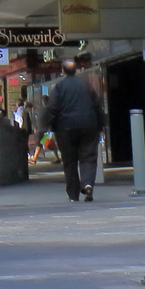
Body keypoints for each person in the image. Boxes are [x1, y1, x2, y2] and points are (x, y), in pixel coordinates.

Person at [46, 57, 102, 203]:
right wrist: (100, 124)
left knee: (69, 161)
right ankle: (88, 184)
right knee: (88, 157)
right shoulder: (86, 85)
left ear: (62, 70)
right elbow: (97, 105)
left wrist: (52, 125)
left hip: (65, 128)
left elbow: (52, 109)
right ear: (76, 70)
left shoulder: (59, 87)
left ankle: (73, 194)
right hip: (89, 125)